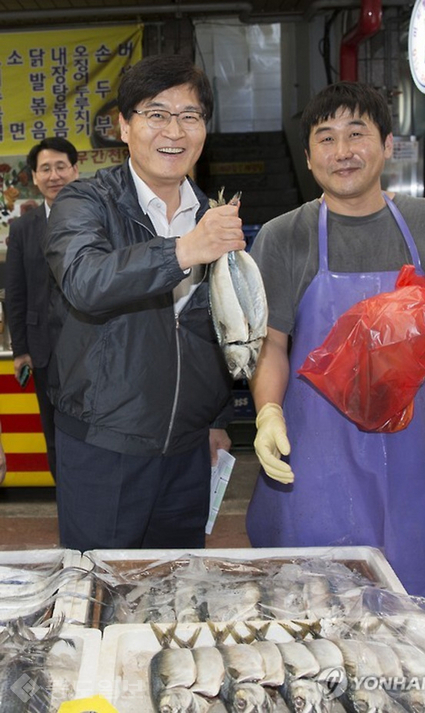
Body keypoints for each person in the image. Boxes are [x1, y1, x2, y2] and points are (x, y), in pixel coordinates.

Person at [245, 81, 425, 662]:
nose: (342, 151)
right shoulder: (286, 236)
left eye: (357, 133)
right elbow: (271, 342)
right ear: (308, 156)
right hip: (316, 457)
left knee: (423, 600)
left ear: (387, 144)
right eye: (325, 138)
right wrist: (268, 413)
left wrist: (419, 318)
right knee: (318, 615)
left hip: (419, 457)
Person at [41, 54, 245, 552]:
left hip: (189, 451)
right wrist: (183, 250)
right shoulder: (85, 202)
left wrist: (216, 422)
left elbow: (222, 325)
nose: (174, 130)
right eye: (156, 113)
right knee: (99, 599)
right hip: (104, 446)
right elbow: (85, 280)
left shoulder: (214, 214)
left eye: (190, 116)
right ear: (124, 126)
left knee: (175, 597)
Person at [5, 137, 79, 481]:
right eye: (45, 169)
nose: (54, 175)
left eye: (61, 167)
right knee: (54, 435)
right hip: (43, 349)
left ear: (75, 170)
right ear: (34, 177)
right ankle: (68, 510)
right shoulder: (22, 228)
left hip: (92, 346)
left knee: (95, 433)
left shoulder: (97, 218)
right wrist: (21, 350)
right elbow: (16, 293)